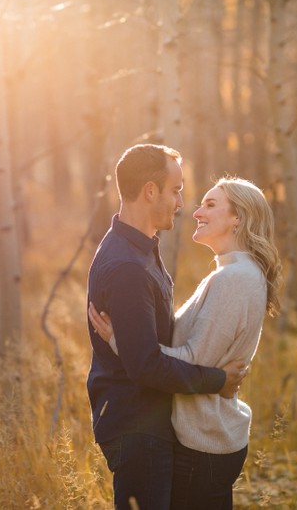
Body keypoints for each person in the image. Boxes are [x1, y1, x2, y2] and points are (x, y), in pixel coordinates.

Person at [89, 176, 282, 510]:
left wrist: (120, 341)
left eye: (210, 205)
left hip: (204, 442)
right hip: (205, 436)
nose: (195, 212)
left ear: (238, 217)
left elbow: (192, 360)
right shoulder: (229, 273)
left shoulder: (234, 279)